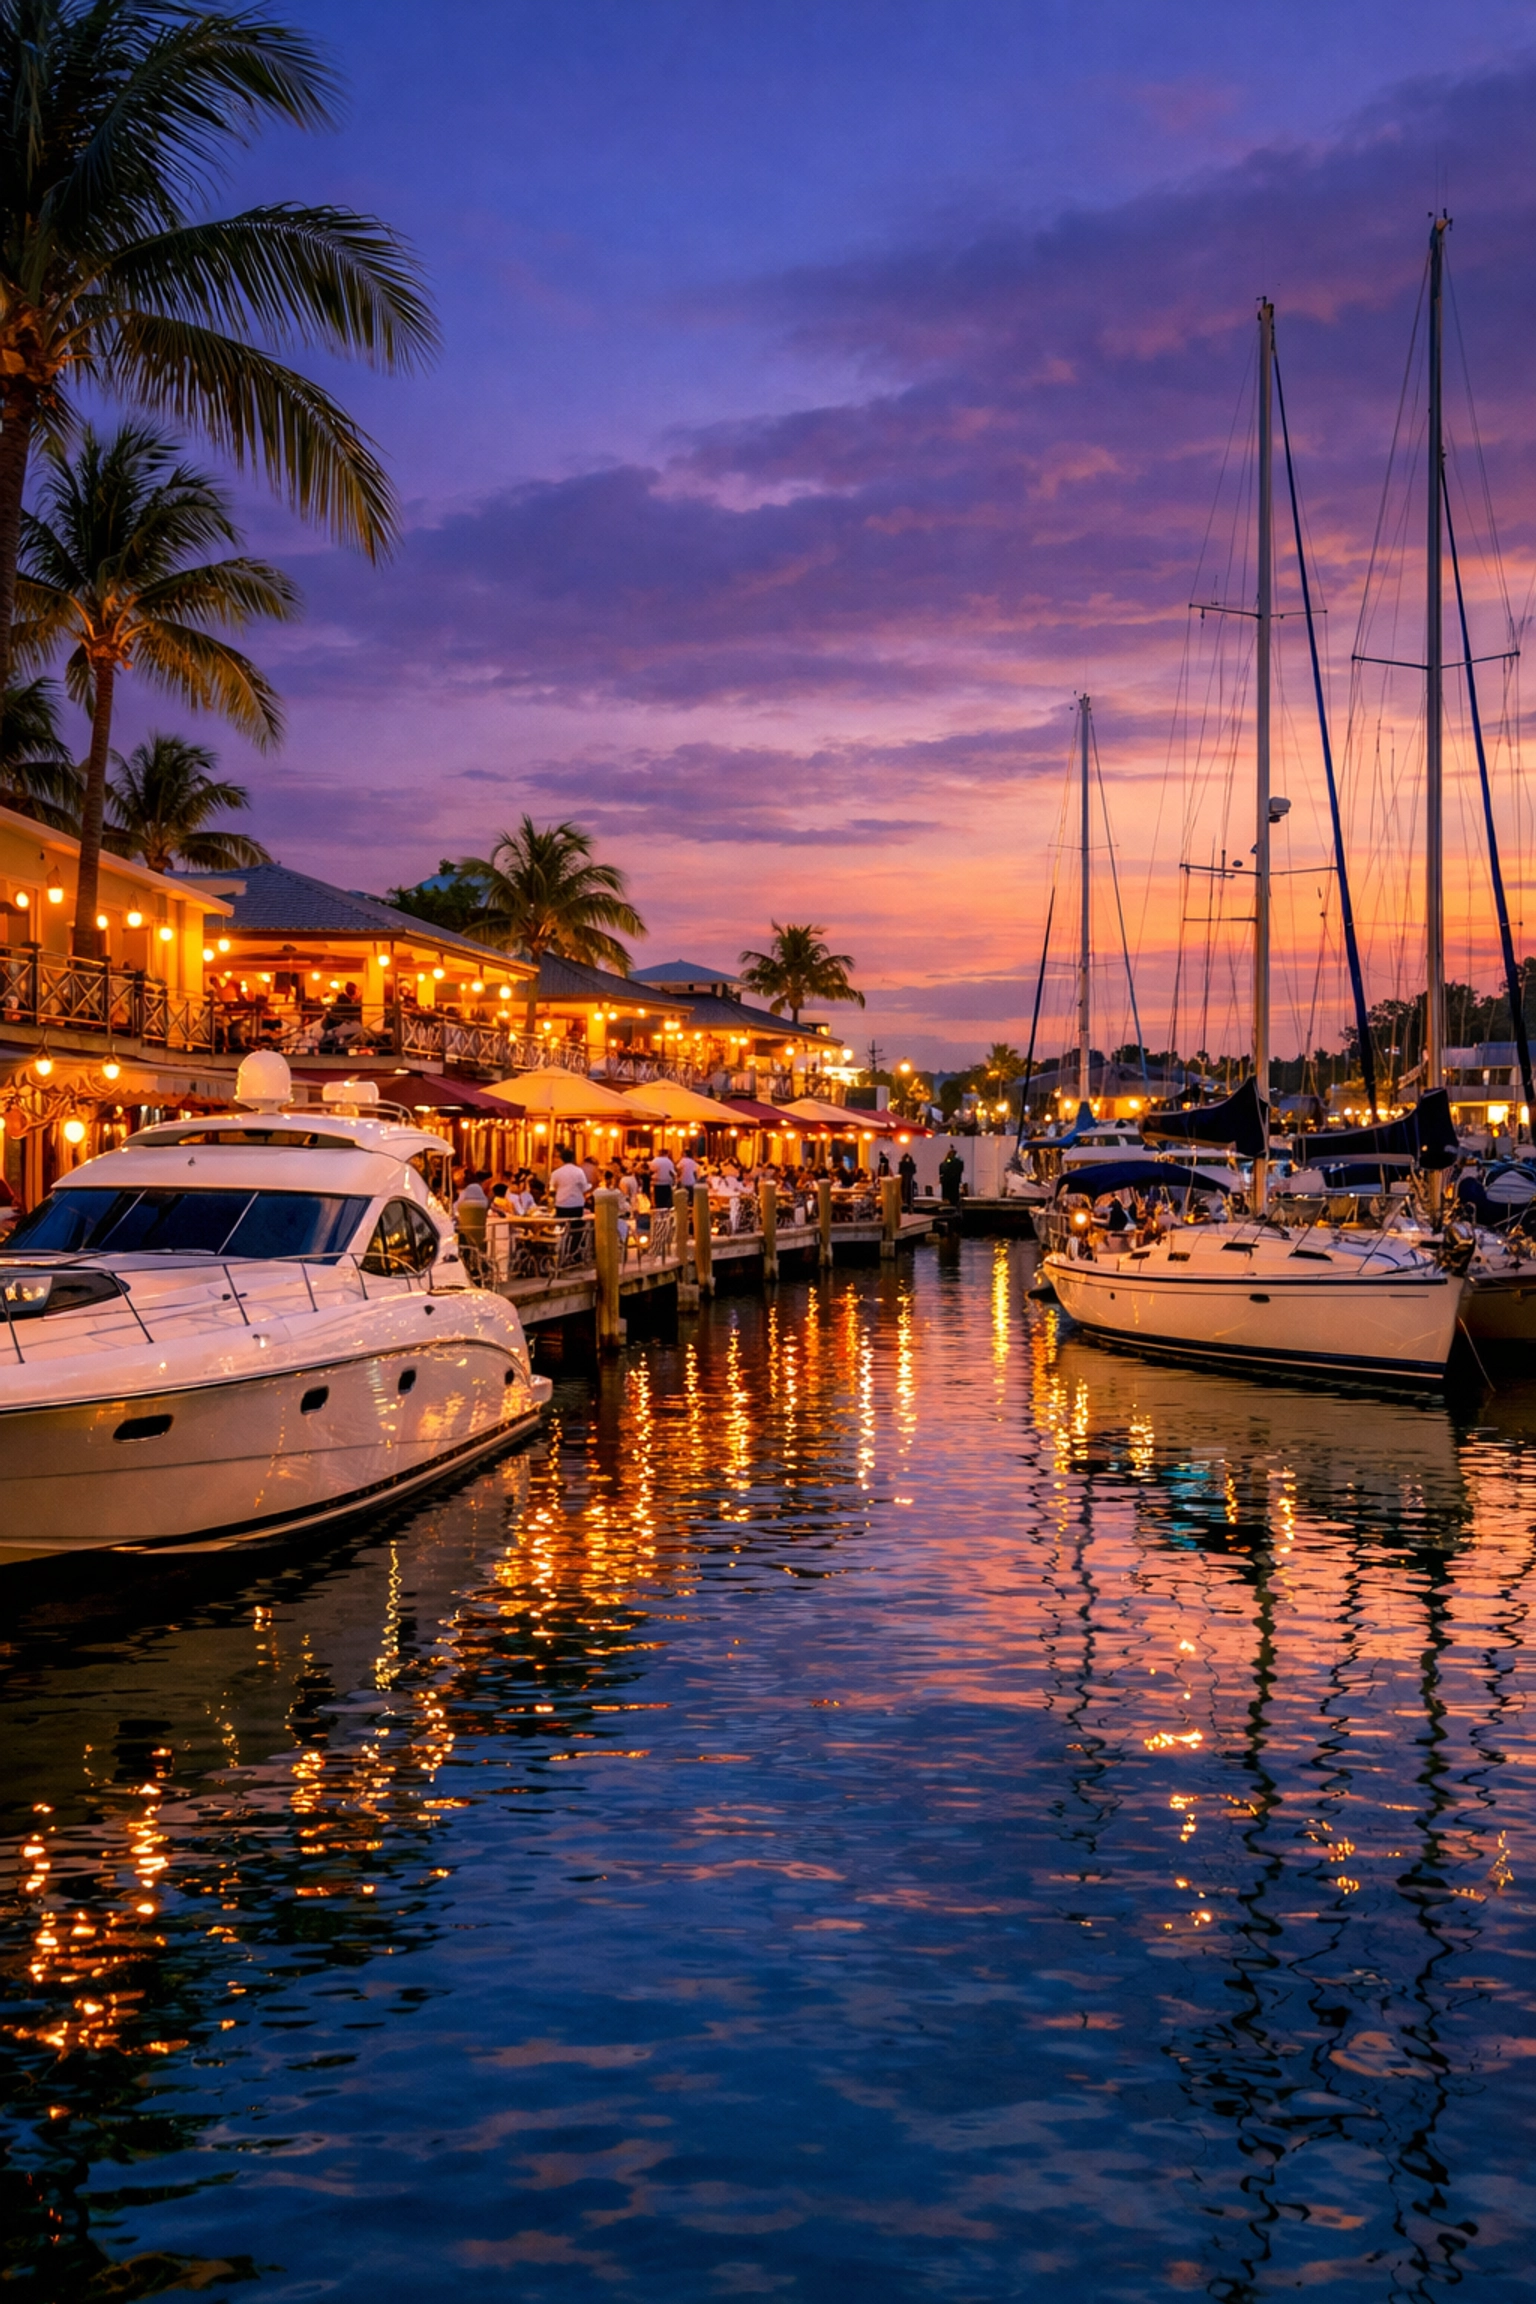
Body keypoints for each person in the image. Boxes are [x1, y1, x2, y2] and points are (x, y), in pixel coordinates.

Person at [550, 1147, 590, 1219]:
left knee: (562, 1223)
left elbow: (552, 1189)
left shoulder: (555, 1173)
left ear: (561, 1159)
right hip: (577, 1205)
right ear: (572, 1158)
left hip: (561, 1205)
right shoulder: (579, 1171)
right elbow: (584, 1188)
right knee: (576, 1224)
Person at [651, 1145, 677, 1210]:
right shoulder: (669, 1161)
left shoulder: (655, 1160)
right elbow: (672, 1172)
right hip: (667, 1183)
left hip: (657, 1183)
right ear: (666, 1153)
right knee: (666, 1202)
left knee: (659, 1201)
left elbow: (651, 1170)